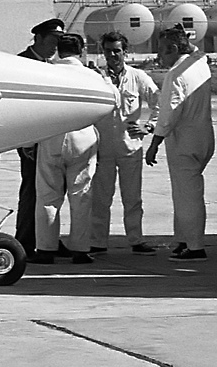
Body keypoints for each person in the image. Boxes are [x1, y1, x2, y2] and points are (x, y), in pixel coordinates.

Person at [145, 25, 212, 261]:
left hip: (184, 142)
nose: (159, 56)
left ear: (174, 49)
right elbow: (197, 52)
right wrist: (183, 36)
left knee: (187, 196)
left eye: (163, 50)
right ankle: (183, 239)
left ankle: (195, 247)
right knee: (186, 192)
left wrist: (154, 143)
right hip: (204, 137)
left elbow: (169, 114)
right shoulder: (199, 65)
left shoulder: (176, 74)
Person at [31, 33, 99, 264]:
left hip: (52, 136)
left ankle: (46, 249)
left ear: (58, 50)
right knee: (81, 196)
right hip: (82, 137)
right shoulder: (91, 75)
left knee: (48, 196)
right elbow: (114, 101)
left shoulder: (45, 73)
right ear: (81, 51)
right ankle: (80, 250)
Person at [89, 30, 158, 254]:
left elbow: (159, 102)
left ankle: (136, 240)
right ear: (103, 52)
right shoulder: (97, 78)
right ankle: (98, 242)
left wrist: (148, 126)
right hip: (102, 149)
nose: (113, 55)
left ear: (125, 52)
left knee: (132, 198)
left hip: (130, 148)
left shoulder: (138, 77)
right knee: (100, 199)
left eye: (117, 51)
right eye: (108, 51)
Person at [15, 18, 66, 256]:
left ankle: (49, 238)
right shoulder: (21, 64)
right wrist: (25, 141)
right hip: (32, 140)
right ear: (39, 38)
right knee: (32, 191)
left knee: (54, 190)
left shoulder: (52, 65)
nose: (57, 45)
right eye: (54, 39)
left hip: (50, 137)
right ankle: (25, 240)